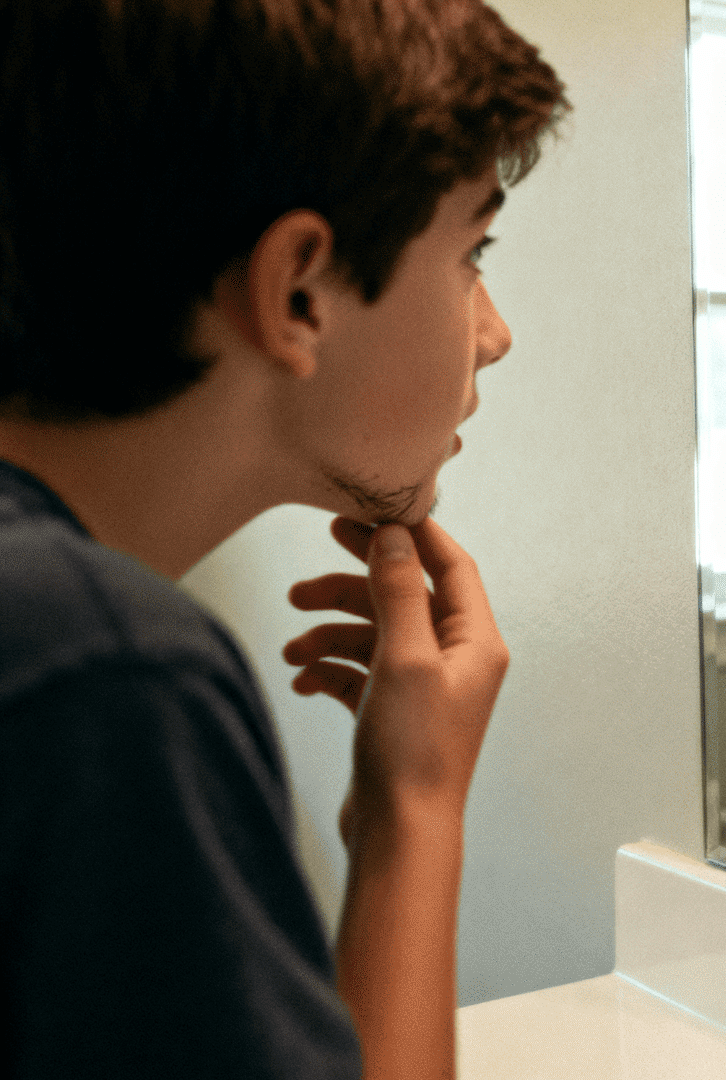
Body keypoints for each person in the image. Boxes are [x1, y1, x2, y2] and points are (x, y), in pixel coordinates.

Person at [0, 1, 565, 1076]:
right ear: (298, 288)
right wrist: (417, 808)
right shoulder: (103, 670)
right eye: (471, 250)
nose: (494, 332)